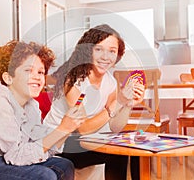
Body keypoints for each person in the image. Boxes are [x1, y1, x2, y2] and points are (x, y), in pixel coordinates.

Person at [0, 40, 85, 180]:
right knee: (45, 175)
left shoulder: (32, 105)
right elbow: (16, 155)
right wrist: (62, 129)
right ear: (8, 78)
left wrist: (67, 128)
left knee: (65, 165)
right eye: (28, 70)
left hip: (7, 156)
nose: (37, 77)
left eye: (40, 72)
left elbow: (38, 142)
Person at [43, 24, 145, 180]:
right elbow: (84, 128)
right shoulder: (72, 80)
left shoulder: (110, 82)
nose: (106, 57)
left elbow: (115, 126)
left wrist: (127, 103)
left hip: (83, 140)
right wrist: (118, 102)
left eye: (112, 51)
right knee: (116, 153)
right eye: (99, 49)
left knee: (132, 147)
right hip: (59, 141)